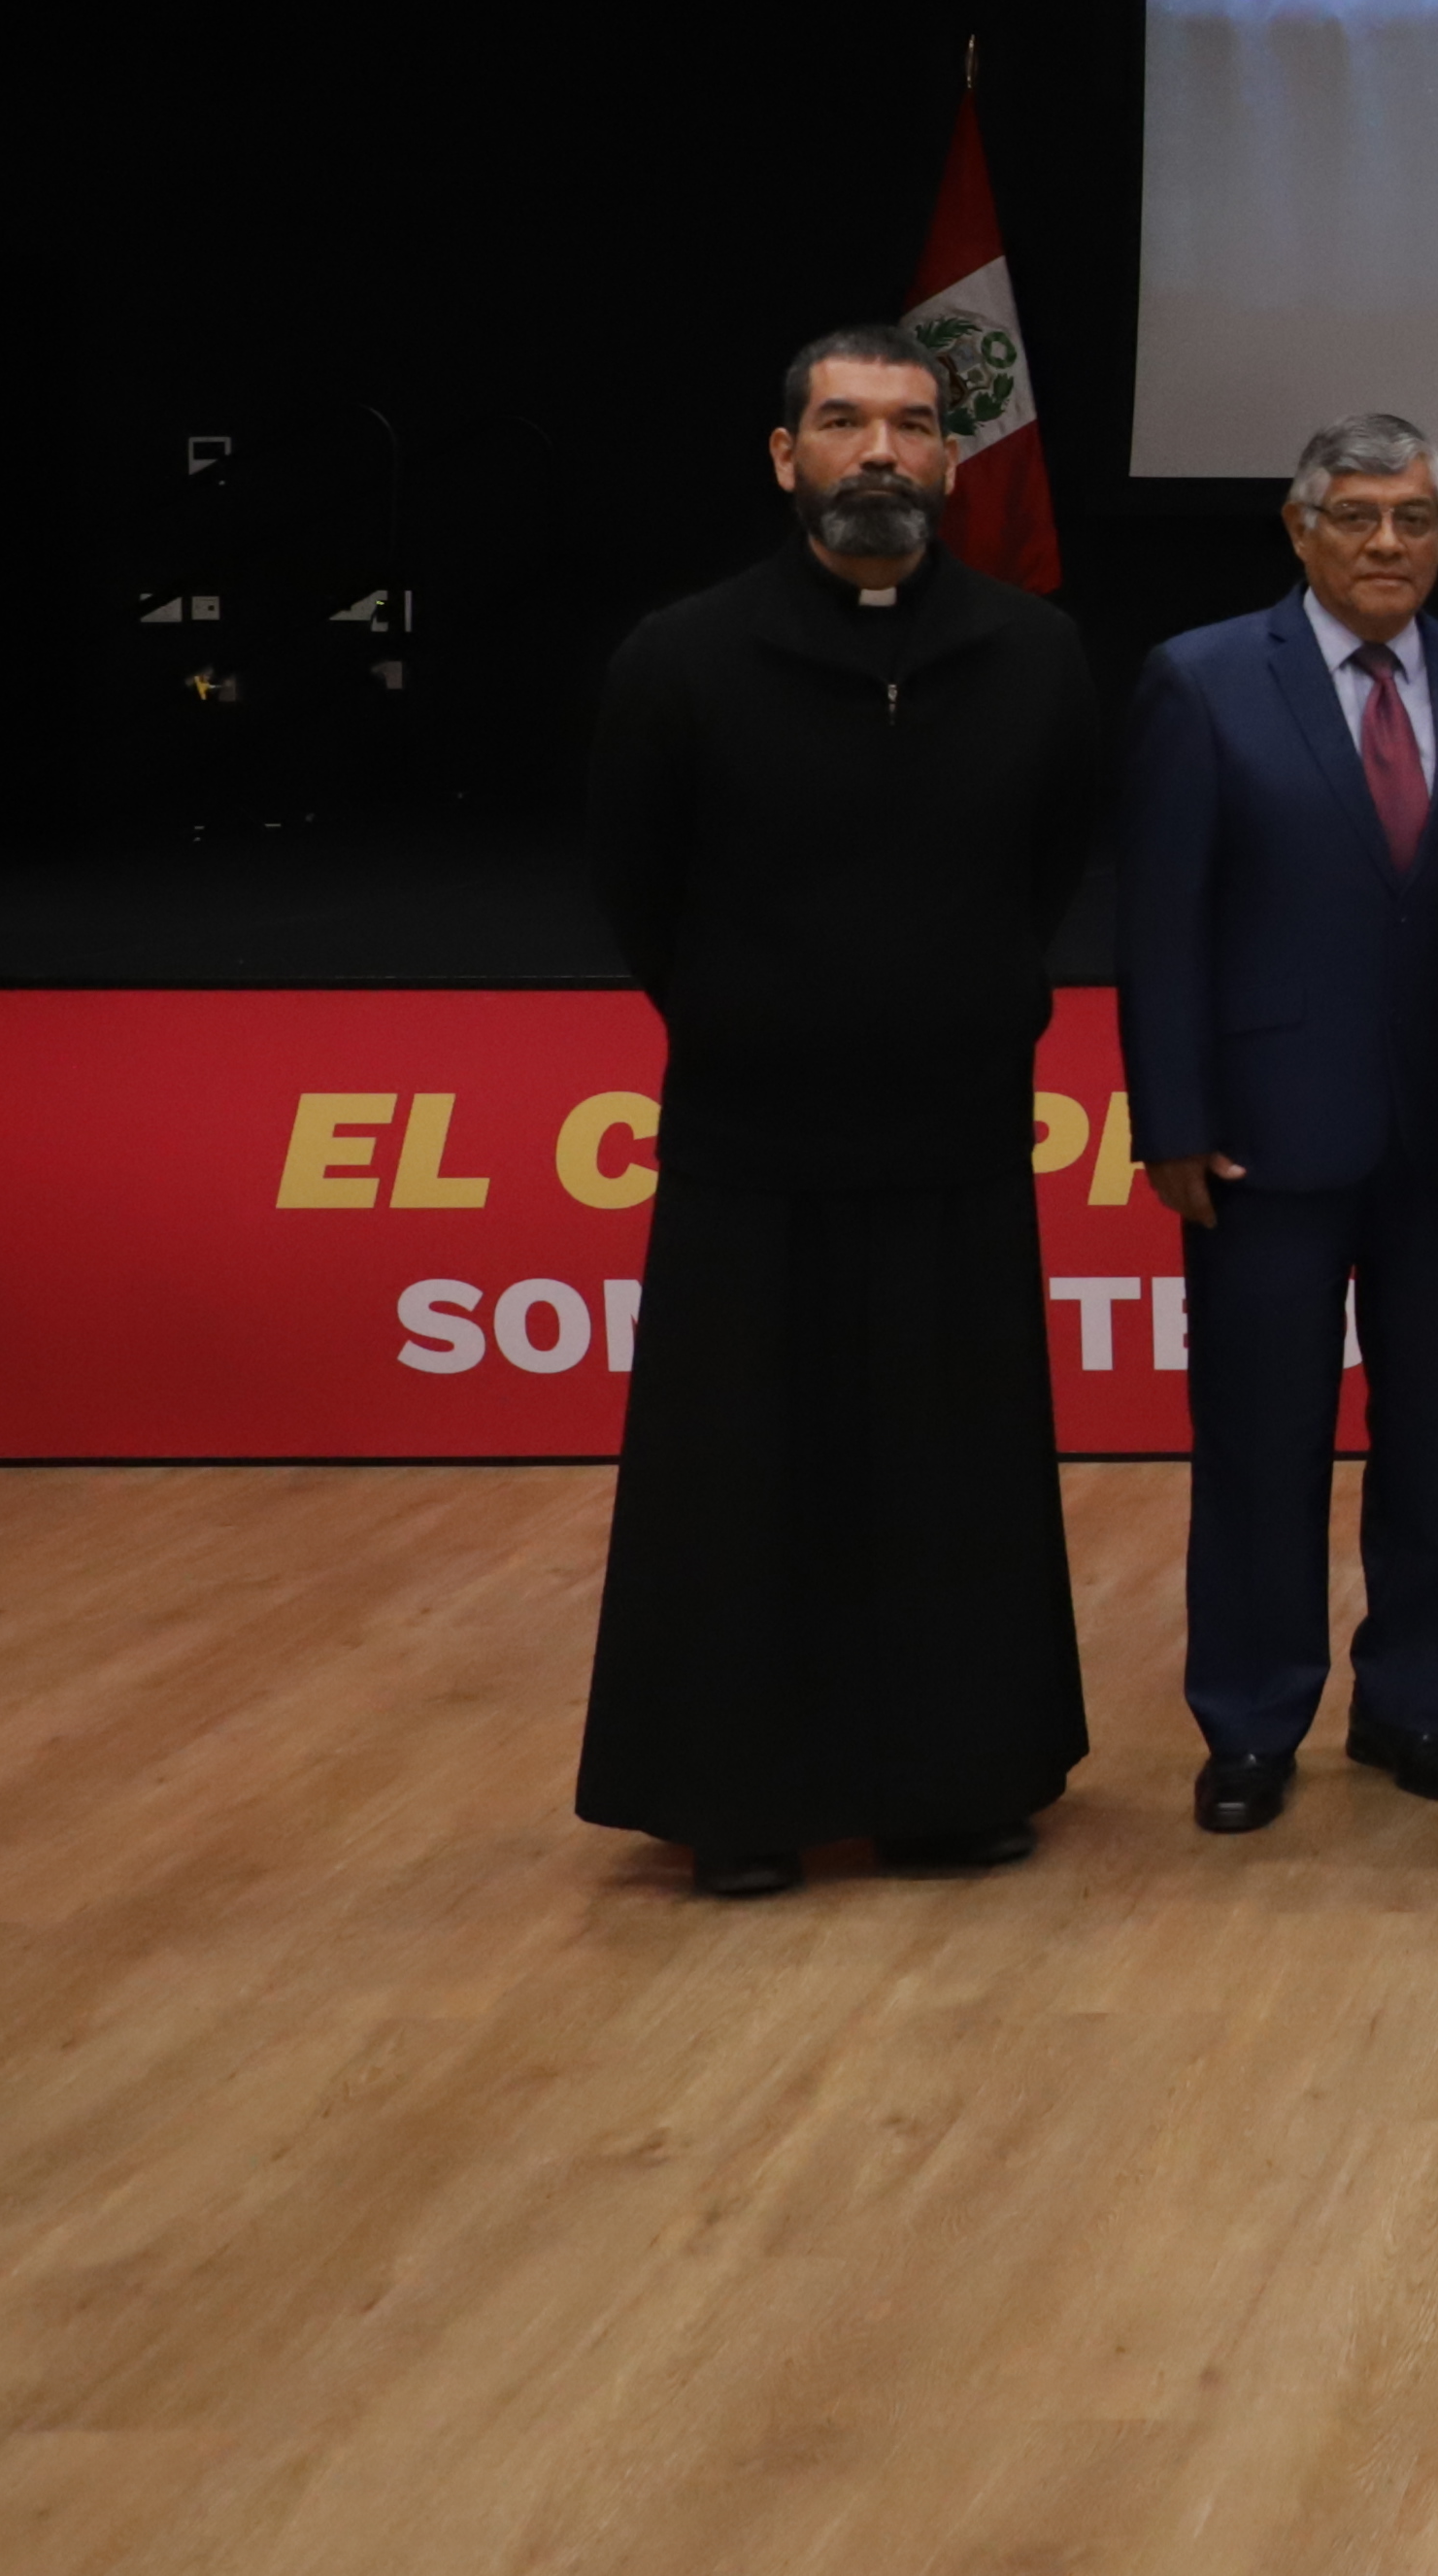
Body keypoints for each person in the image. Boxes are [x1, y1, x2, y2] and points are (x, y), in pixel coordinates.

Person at [576, 325, 1109, 1899]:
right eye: (844, 423)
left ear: (953, 460)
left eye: (912, 425)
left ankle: (956, 1786)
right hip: (756, 1141)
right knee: (744, 1474)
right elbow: (640, 893)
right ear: (784, 456)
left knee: (956, 1468)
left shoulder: (1031, 653)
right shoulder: (680, 657)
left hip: (950, 1132)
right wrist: (765, 1019)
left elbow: (1050, 871)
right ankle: (741, 1798)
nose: (879, 452)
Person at [1120, 410, 1438, 1835]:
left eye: (1415, 519)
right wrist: (1171, 1120)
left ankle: (1411, 1703)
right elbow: (1162, 923)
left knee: (1437, 1433)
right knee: (1259, 1438)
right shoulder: (1198, 682)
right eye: (1359, 517)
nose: (1388, 543)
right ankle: (1248, 1719)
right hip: (1258, 1139)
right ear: (1300, 530)